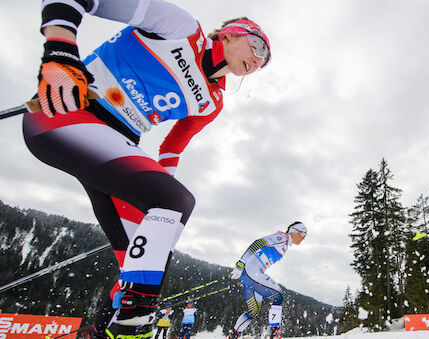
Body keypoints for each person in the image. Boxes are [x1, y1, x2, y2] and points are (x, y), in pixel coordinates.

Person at [26, 1, 271, 338]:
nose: (258, 60)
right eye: (257, 45)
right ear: (230, 34)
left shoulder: (211, 102)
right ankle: (134, 326)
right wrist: (59, 54)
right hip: (69, 111)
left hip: (118, 144)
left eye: (264, 62)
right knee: (175, 204)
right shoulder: (181, 28)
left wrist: (156, 200)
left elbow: (171, 148)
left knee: (146, 257)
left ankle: (104, 331)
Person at [227, 221, 307, 339]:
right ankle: (274, 333)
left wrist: (245, 276)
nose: (303, 238)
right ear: (294, 231)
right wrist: (241, 264)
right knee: (278, 296)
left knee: (253, 310)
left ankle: (233, 335)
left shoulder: (285, 245)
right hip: (252, 272)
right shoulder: (282, 238)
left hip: (251, 274)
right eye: (303, 234)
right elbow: (258, 243)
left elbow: (260, 255)